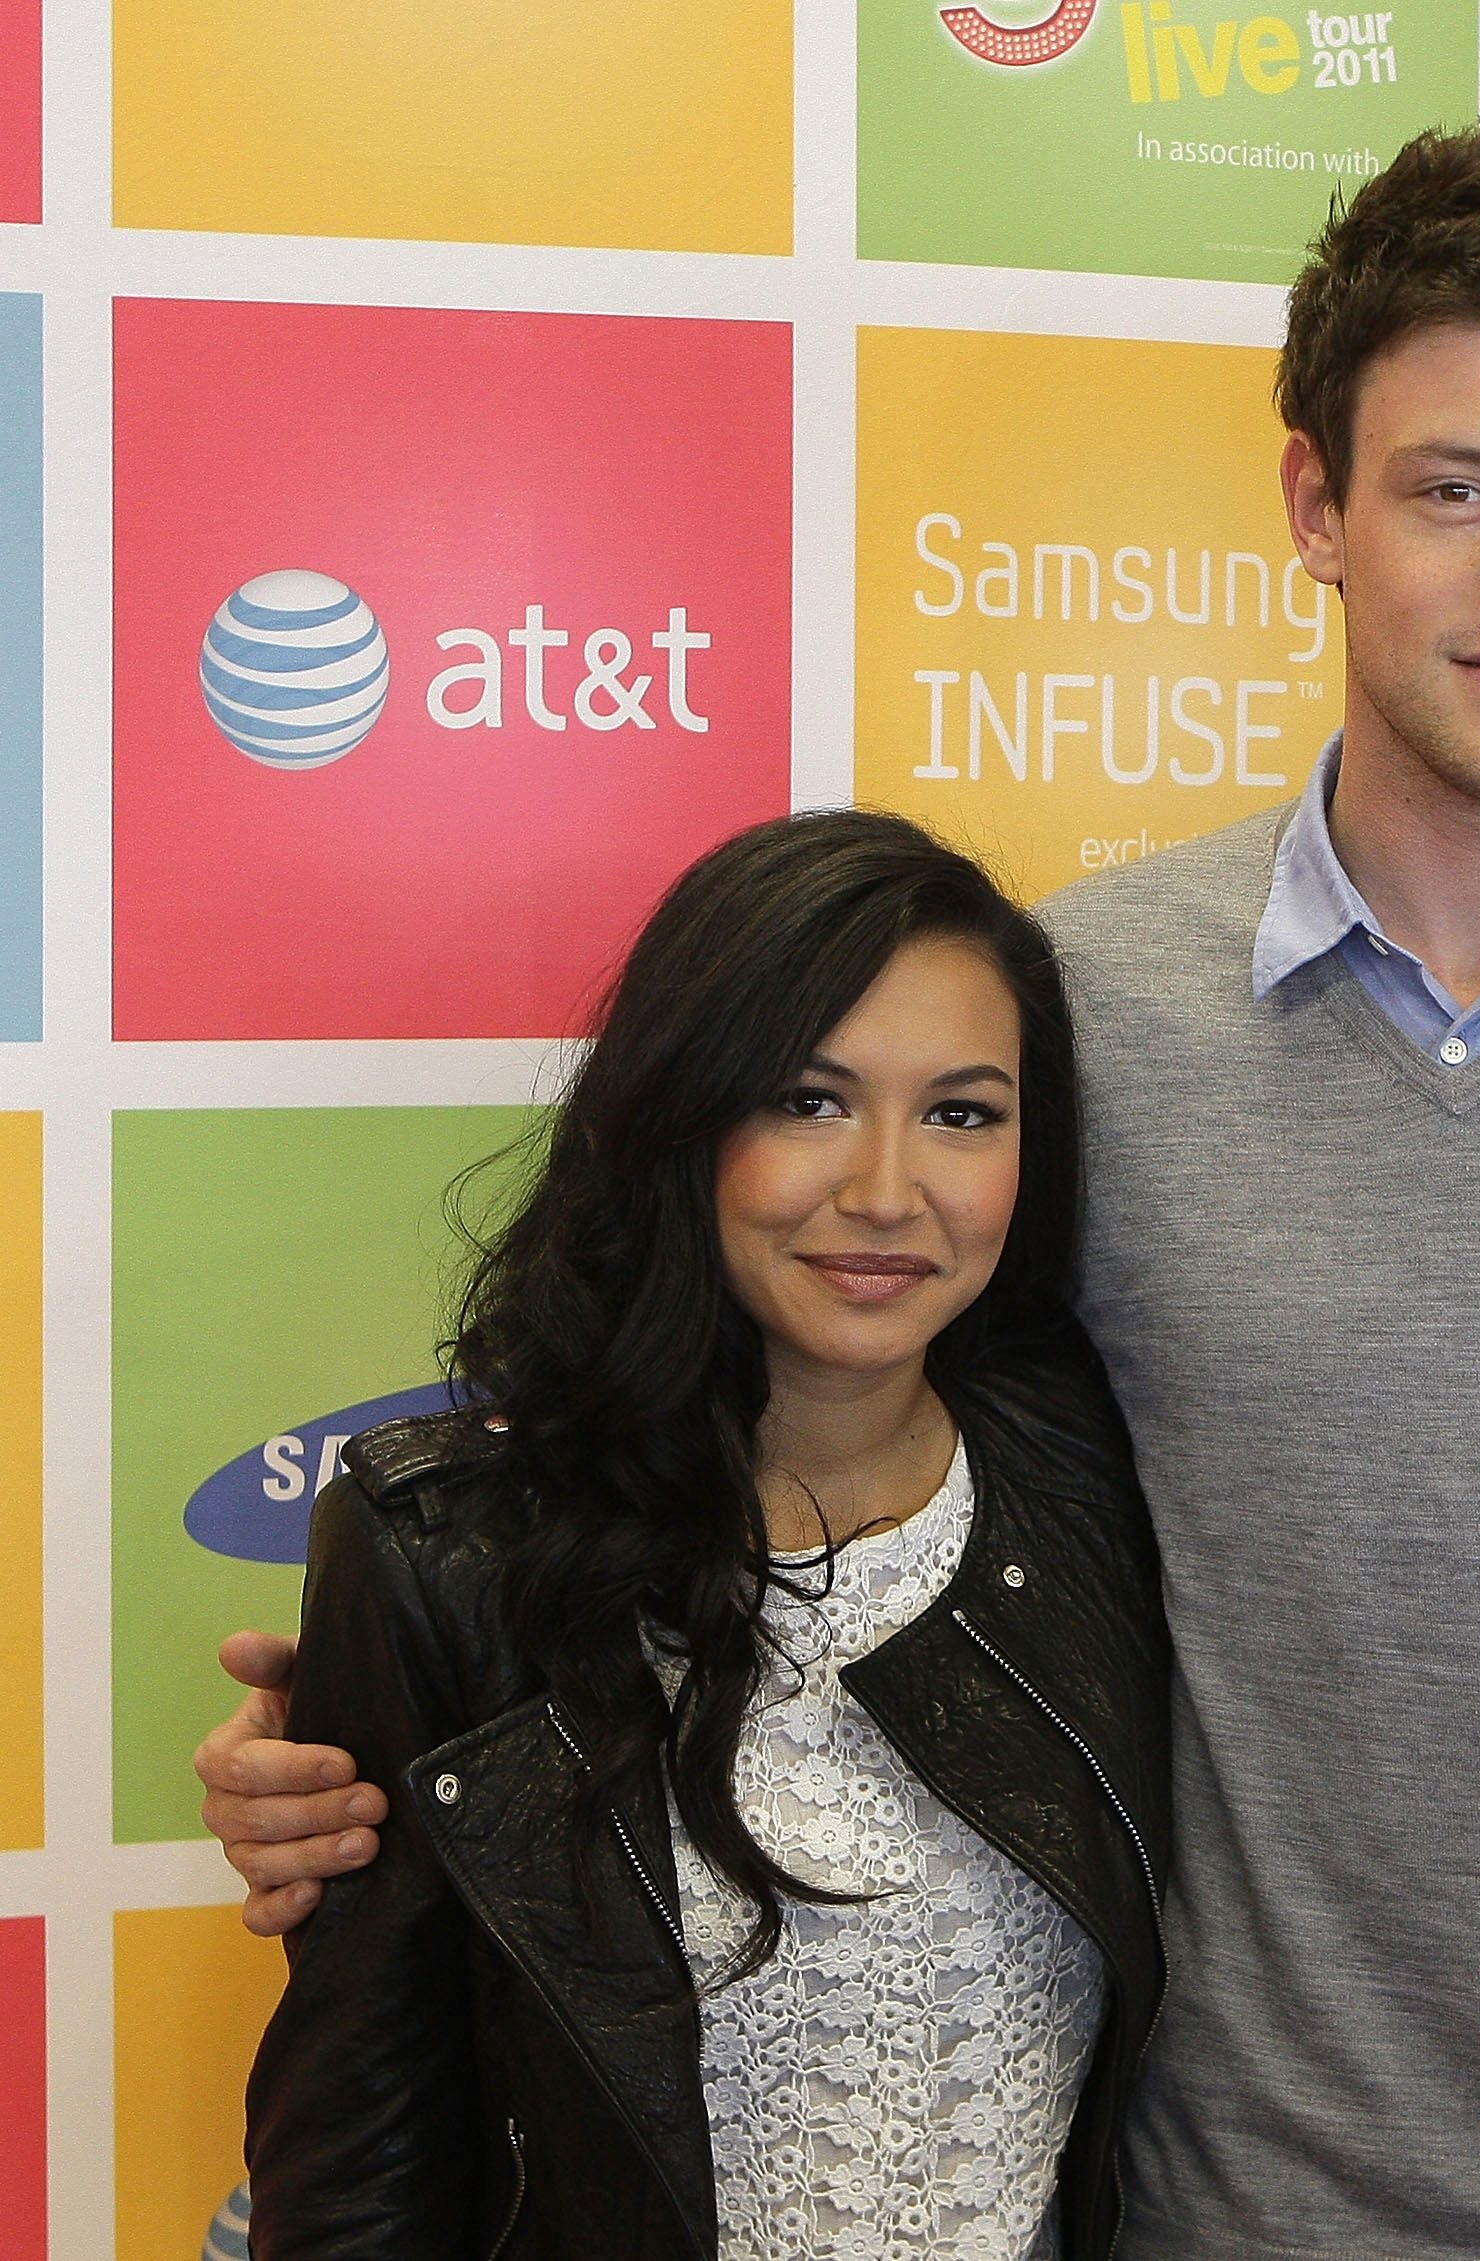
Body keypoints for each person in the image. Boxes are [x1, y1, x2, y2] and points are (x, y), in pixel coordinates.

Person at [202, 118, 1480, 2261]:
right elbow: (800, 1471)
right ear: (1318, 508)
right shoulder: (1072, 1023)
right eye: (1454, 487)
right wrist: (417, 1737)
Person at [237, 810, 1169, 2260]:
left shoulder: (1096, 1473)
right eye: (809, 1098)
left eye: (963, 1112)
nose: (884, 1188)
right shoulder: (450, 1553)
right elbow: (364, 2159)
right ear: (684, 1114)